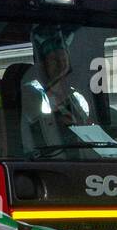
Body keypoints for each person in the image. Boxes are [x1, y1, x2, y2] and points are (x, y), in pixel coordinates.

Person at [19, 24, 96, 153]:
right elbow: (38, 126)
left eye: (63, 58)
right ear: (43, 64)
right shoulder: (31, 92)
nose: (60, 64)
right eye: (54, 59)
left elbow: (87, 125)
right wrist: (60, 119)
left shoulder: (76, 95)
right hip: (46, 155)